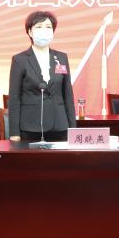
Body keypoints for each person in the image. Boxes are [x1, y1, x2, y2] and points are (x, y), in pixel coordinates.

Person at [8, 11, 76, 141]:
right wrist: (14, 132)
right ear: (30, 32)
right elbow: (14, 99)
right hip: (30, 126)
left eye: (48, 27)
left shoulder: (61, 58)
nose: (44, 31)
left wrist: (73, 129)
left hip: (60, 126)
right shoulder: (20, 60)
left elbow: (68, 95)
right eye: (39, 27)